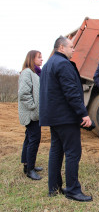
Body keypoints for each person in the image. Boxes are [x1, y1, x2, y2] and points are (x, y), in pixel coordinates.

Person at [39, 36, 93, 202]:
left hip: (53, 117)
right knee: (73, 153)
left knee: (56, 151)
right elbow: (72, 93)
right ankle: (72, 190)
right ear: (61, 47)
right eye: (71, 47)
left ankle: (54, 188)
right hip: (65, 117)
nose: (73, 50)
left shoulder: (48, 64)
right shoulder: (63, 64)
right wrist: (83, 113)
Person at [18, 50, 43, 180]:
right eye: (39, 57)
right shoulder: (27, 73)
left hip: (34, 114)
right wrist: (33, 106)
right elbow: (23, 94)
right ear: (32, 59)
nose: (42, 59)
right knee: (34, 139)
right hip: (31, 114)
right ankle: (30, 170)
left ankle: (27, 164)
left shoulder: (34, 73)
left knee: (29, 138)